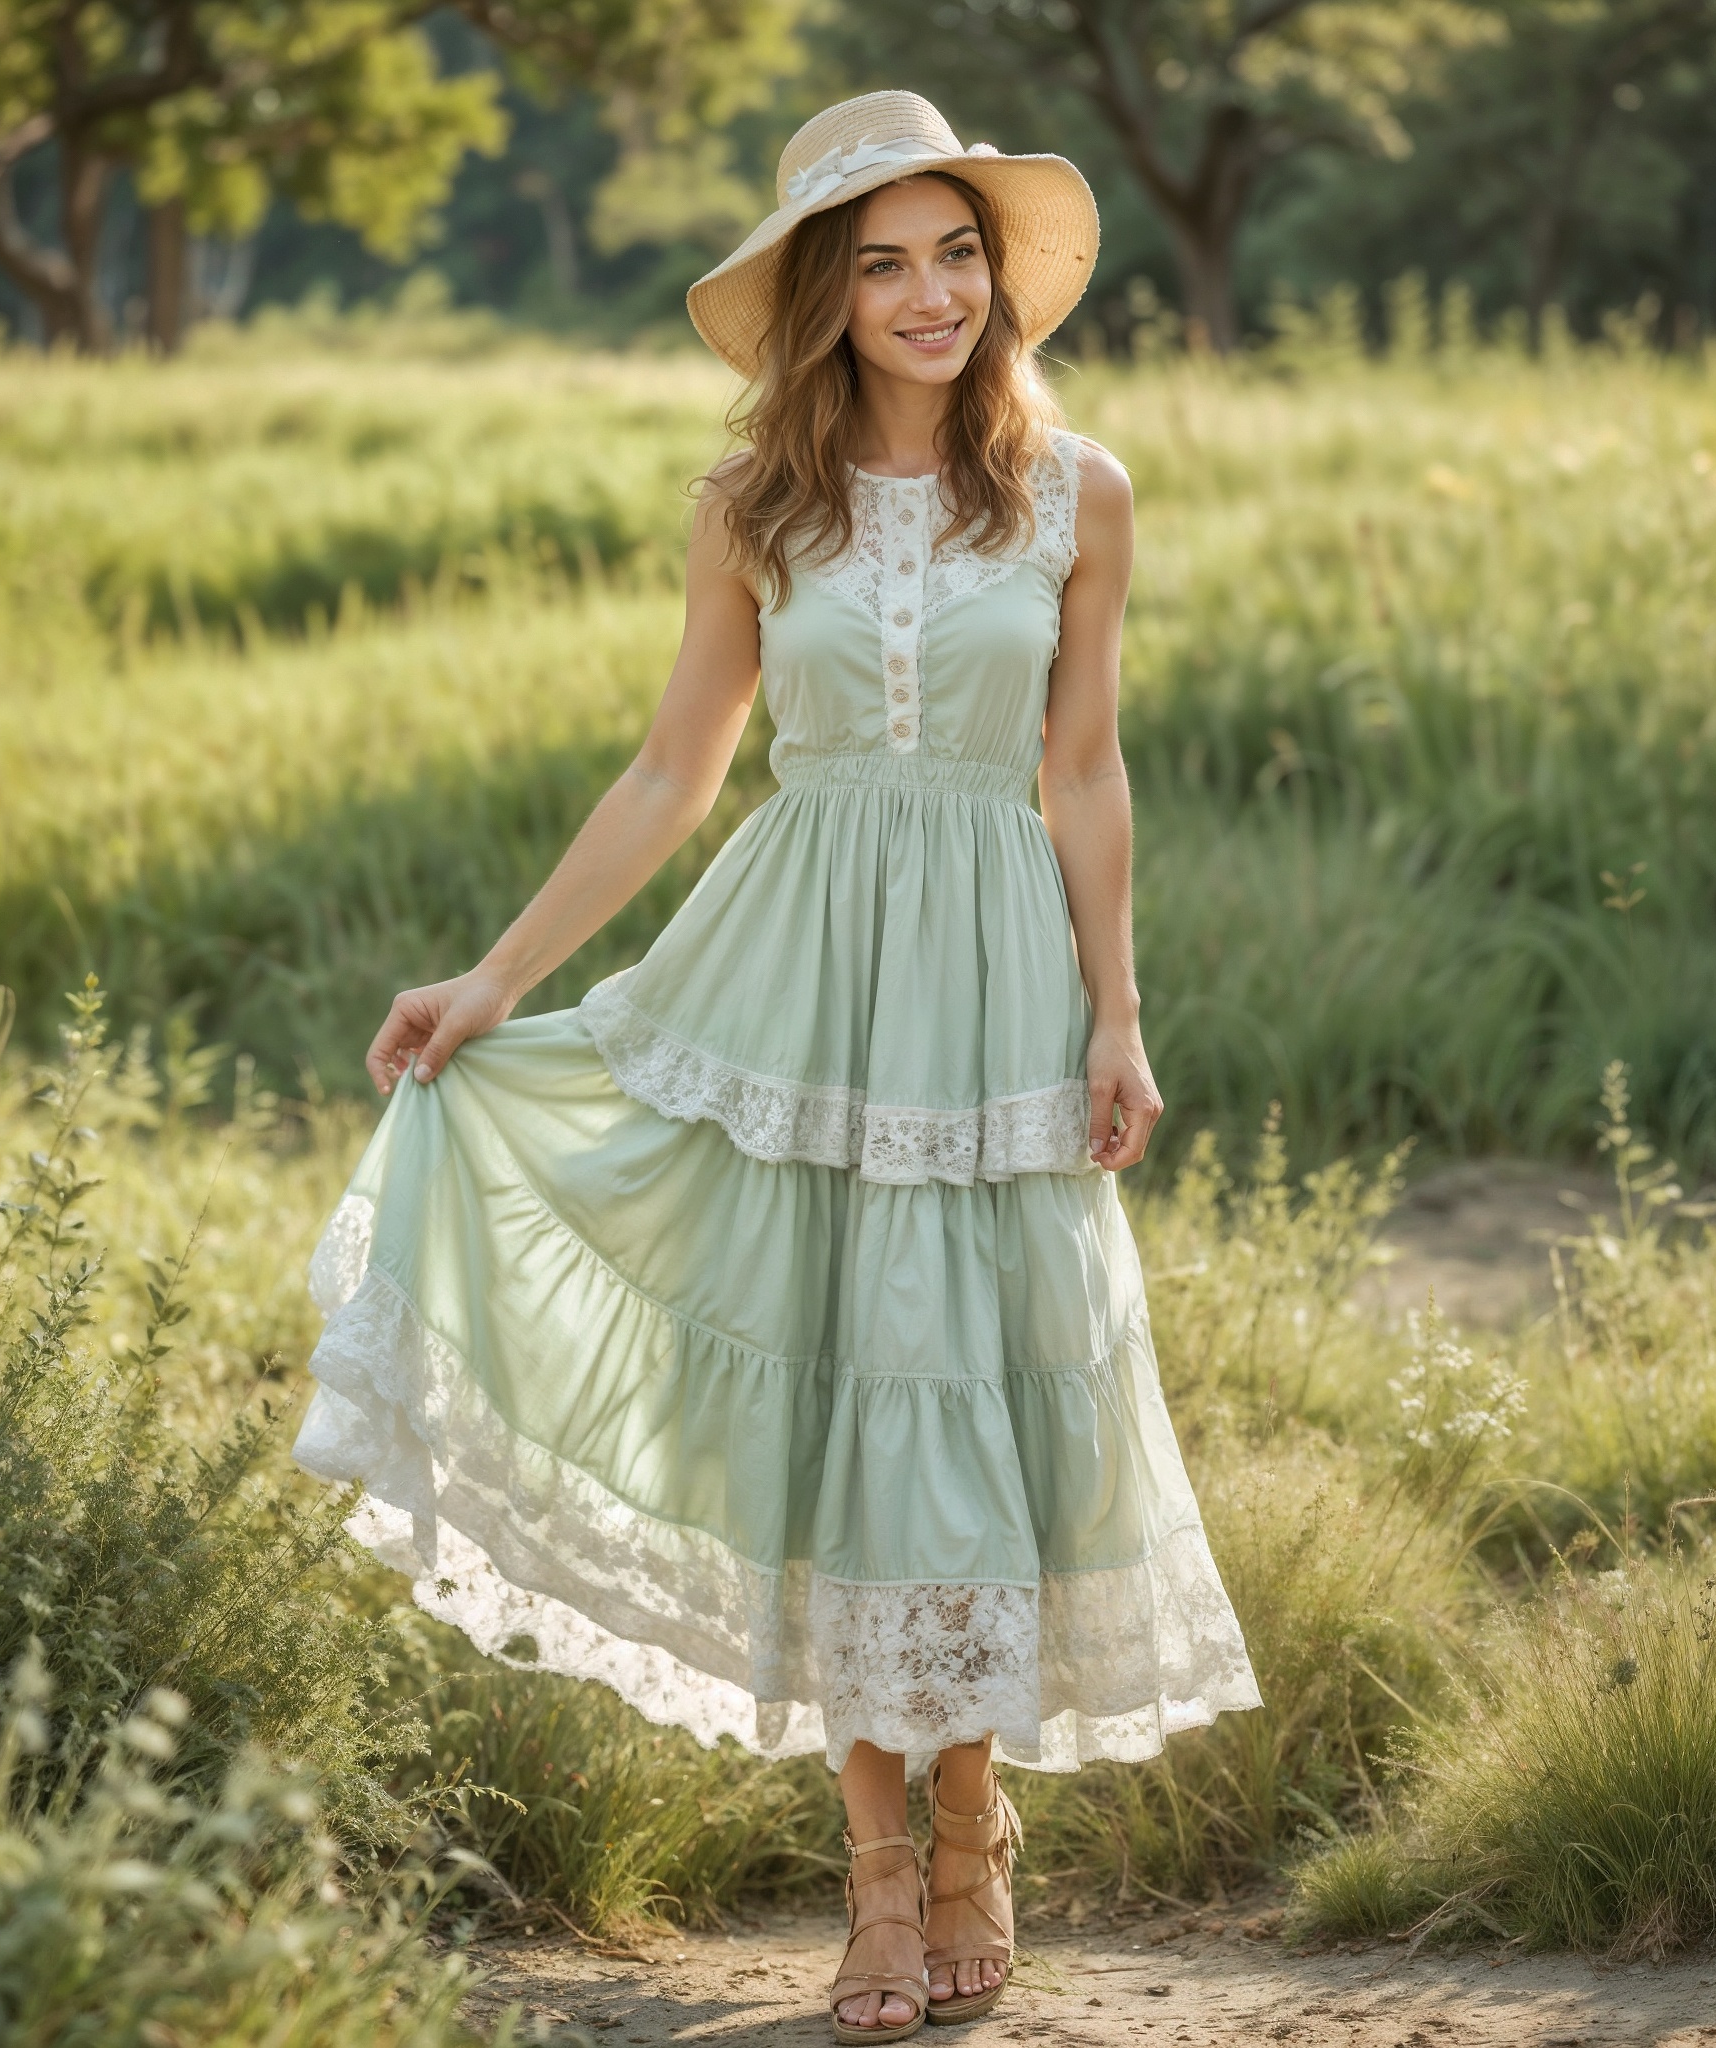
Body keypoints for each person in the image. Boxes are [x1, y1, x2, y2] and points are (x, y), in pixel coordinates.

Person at [294, 89, 1259, 2042]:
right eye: (884, 260)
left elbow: (1082, 767)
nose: (928, 293)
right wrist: (488, 979)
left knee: (970, 1402)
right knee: (830, 1406)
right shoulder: (753, 505)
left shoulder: (1083, 489)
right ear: (826, 293)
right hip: (792, 987)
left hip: (992, 995)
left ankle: (972, 1832)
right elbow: (674, 769)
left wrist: (1118, 1012)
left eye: (956, 252)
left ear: (998, 276)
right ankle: (875, 1872)